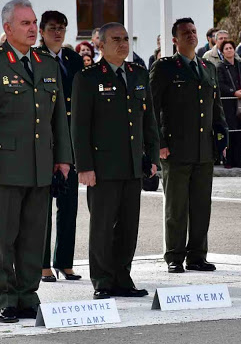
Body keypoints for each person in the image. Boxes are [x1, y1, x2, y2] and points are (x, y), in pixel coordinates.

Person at [0, 0, 72, 323]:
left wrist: (63, 159)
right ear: (8, 28)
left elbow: (58, 119)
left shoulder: (45, 63)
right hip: (4, 166)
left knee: (32, 236)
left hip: (41, 165)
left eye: (33, 22)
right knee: (4, 238)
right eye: (25, 23)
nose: (32, 29)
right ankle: (7, 298)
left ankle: (29, 295)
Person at [72, 22, 159, 298]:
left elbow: (149, 121)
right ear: (100, 44)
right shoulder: (87, 78)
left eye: (125, 39)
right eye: (115, 39)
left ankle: (123, 278)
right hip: (102, 167)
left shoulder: (138, 75)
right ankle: (102, 280)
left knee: (128, 227)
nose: (123, 44)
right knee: (102, 226)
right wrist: (84, 166)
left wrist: (152, 157)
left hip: (133, 164)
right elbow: (80, 127)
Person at [150, 17, 228, 274]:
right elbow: (152, 108)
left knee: (201, 205)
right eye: (186, 33)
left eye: (194, 32)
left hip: (203, 148)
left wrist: (221, 137)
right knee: (177, 206)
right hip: (175, 148)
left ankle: (197, 255)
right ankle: (174, 255)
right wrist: (159, 143)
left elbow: (215, 108)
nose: (192, 36)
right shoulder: (165, 68)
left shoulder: (207, 67)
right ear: (175, 40)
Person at [38, 10, 85, 283]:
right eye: (53, 28)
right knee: (42, 206)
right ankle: (43, 264)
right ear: (42, 31)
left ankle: (64, 261)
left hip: (70, 140)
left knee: (69, 205)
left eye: (62, 28)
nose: (58, 33)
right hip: (45, 139)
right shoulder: (36, 58)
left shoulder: (73, 59)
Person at [217, 40, 241, 169]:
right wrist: (233, 92)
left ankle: (238, 160)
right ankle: (228, 160)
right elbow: (220, 85)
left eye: (231, 48)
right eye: (226, 48)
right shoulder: (220, 67)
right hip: (228, 104)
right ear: (222, 52)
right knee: (229, 133)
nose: (229, 50)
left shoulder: (240, 65)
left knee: (240, 133)